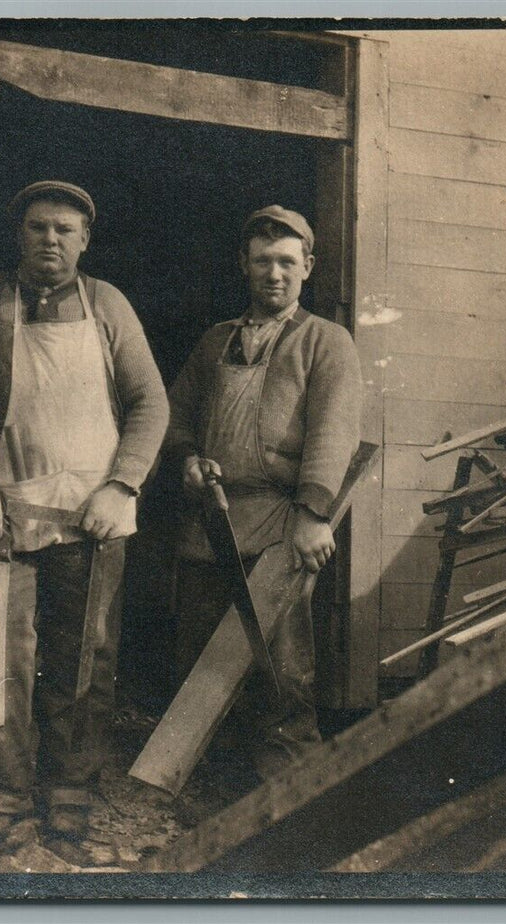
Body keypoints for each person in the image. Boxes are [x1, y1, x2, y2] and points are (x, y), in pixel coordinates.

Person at [0, 181, 167, 844]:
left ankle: (69, 784)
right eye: (39, 227)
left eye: (65, 230)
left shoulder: (108, 306)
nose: (51, 240)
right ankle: (0, 788)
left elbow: (150, 406)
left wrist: (121, 486)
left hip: (89, 515)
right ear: (20, 234)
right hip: (2, 508)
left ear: (84, 241)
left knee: (83, 655)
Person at [165, 205, 364, 780]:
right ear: (244, 267)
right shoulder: (215, 342)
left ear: (308, 267)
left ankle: (287, 786)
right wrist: (186, 460)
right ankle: (210, 785)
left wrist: (313, 515)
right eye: (261, 261)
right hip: (214, 522)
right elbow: (175, 417)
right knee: (203, 653)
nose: (273, 273)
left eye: (285, 262)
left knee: (282, 663)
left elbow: (334, 431)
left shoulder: (327, 341)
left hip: (282, 521)